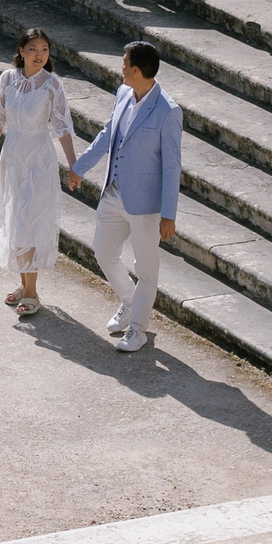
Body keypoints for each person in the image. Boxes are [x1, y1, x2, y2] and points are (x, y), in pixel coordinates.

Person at [66, 41, 184, 353]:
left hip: (145, 202)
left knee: (146, 267)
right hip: (113, 192)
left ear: (136, 70)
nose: (120, 68)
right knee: (103, 252)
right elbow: (108, 135)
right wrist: (80, 168)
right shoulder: (122, 93)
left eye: (124, 64)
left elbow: (172, 166)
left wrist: (169, 214)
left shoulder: (168, 111)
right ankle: (130, 302)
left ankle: (138, 328)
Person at [0, 26, 81, 317]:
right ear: (21, 51)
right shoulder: (7, 79)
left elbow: (63, 128)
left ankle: (33, 293)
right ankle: (24, 285)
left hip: (39, 158)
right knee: (15, 219)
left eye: (44, 50)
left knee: (29, 220)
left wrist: (74, 167)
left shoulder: (52, 85)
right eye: (33, 49)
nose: (39, 55)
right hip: (12, 157)